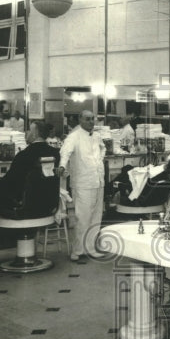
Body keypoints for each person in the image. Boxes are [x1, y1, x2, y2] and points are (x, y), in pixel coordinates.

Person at [0, 120, 60, 254]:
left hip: (27, 207)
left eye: (29, 130)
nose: (27, 133)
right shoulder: (55, 153)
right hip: (49, 205)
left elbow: (10, 181)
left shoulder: (24, 155)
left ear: (36, 133)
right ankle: (6, 240)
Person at [59, 110, 106, 264]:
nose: (91, 122)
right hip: (83, 182)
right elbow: (65, 153)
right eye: (87, 119)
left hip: (98, 181)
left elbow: (103, 148)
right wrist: (62, 166)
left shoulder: (97, 135)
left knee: (96, 216)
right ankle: (77, 250)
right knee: (82, 217)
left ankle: (91, 248)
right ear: (80, 119)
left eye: (93, 119)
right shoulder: (74, 136)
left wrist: (100, 160)